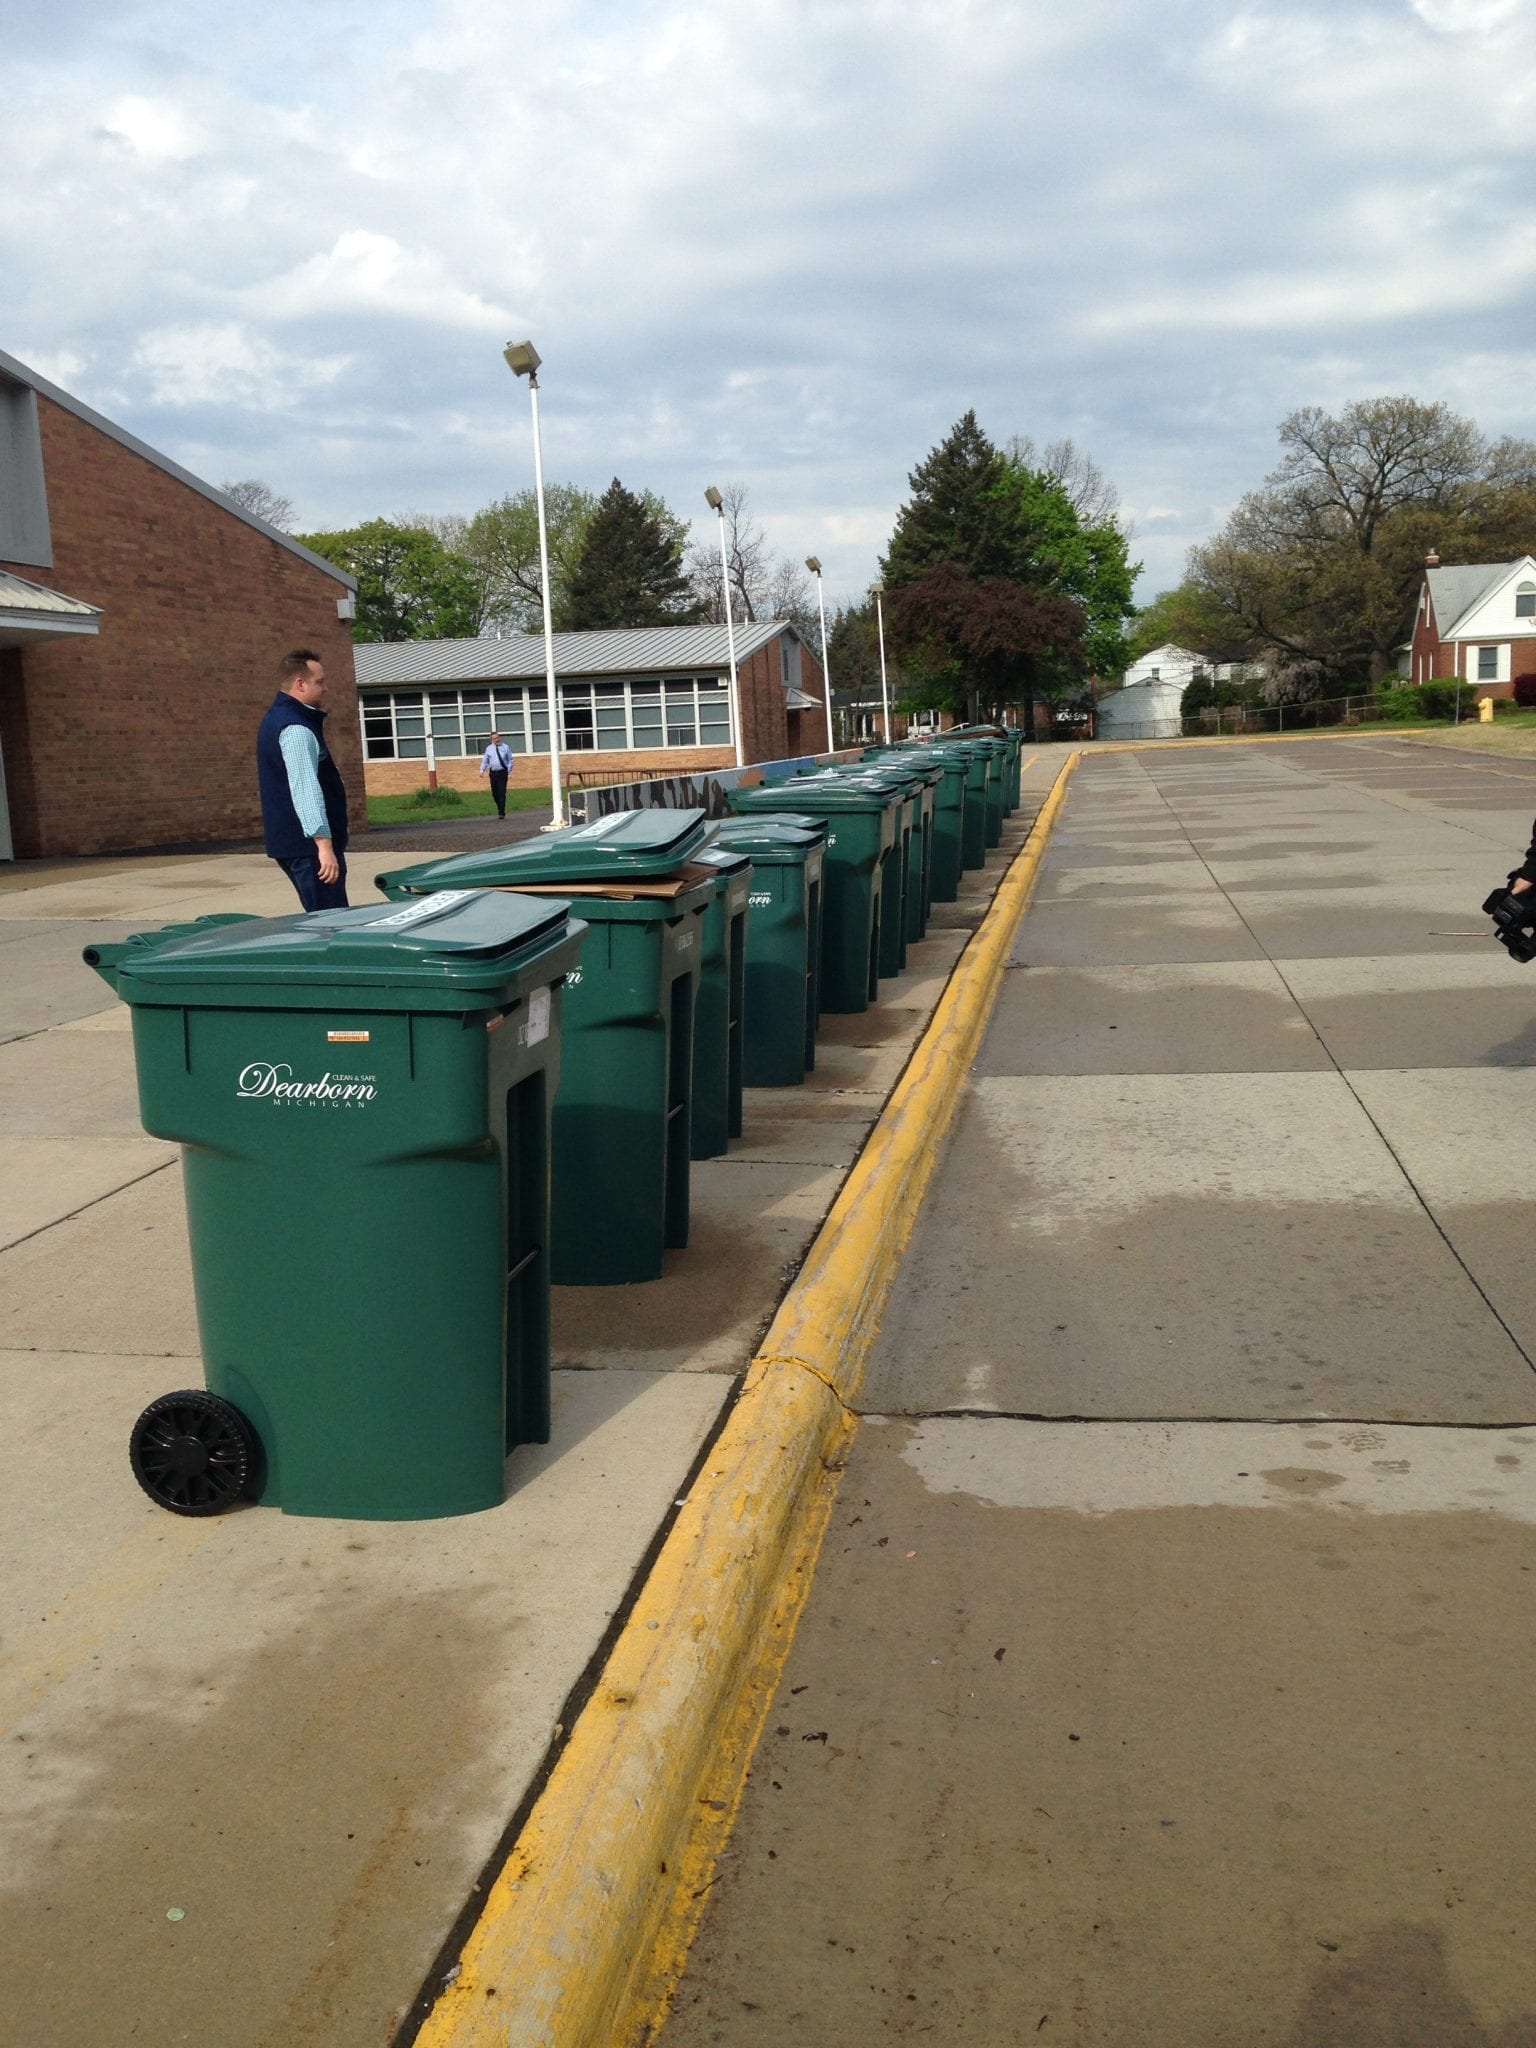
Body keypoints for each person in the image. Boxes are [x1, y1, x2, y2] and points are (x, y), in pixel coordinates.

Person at [257, 648, 350, 911]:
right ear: (300, 684)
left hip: (295, 844)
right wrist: (324, 845)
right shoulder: (295, 728)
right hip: (308, 847)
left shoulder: (277, 718)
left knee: (323, 916)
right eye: (320, 682)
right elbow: (305, 788)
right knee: (331, 922)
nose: (326, 688)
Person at [479, 731, 515, 818]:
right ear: (491, 740)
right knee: (495, 793)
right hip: (493, 773)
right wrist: (482, 770)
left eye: (498, 737)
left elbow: (510, 759)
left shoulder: (505, 747)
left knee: (502, 792)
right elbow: (485, 761)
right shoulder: (489, 749)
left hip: (502, 772)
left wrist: (509, 769)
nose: (497, 740)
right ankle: (500, 807)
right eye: (494, 738)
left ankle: (501, 812)